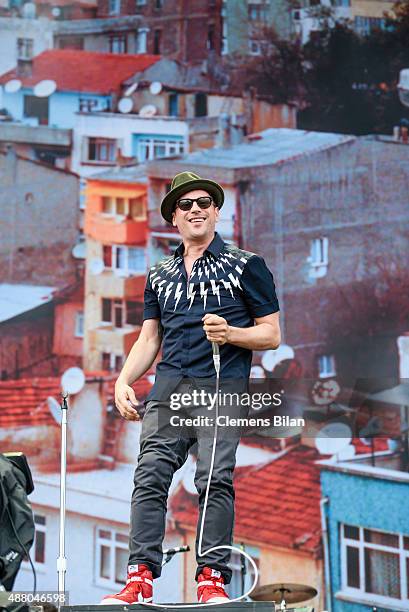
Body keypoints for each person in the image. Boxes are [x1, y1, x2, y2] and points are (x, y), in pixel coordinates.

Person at [101, 171, 281, 605]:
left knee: (213, 478)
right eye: (185, 205)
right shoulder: (159, 273)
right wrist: (124, 380)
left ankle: (211, 579)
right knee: (149, 476)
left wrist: (231, 334)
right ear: (173, 219)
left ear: (217, 212)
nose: (196, 209)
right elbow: (148, 339)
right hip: (167, 391)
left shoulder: (247, 265)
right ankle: (139, 577)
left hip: (221, 389)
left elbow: (271, 335)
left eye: (204, 202)